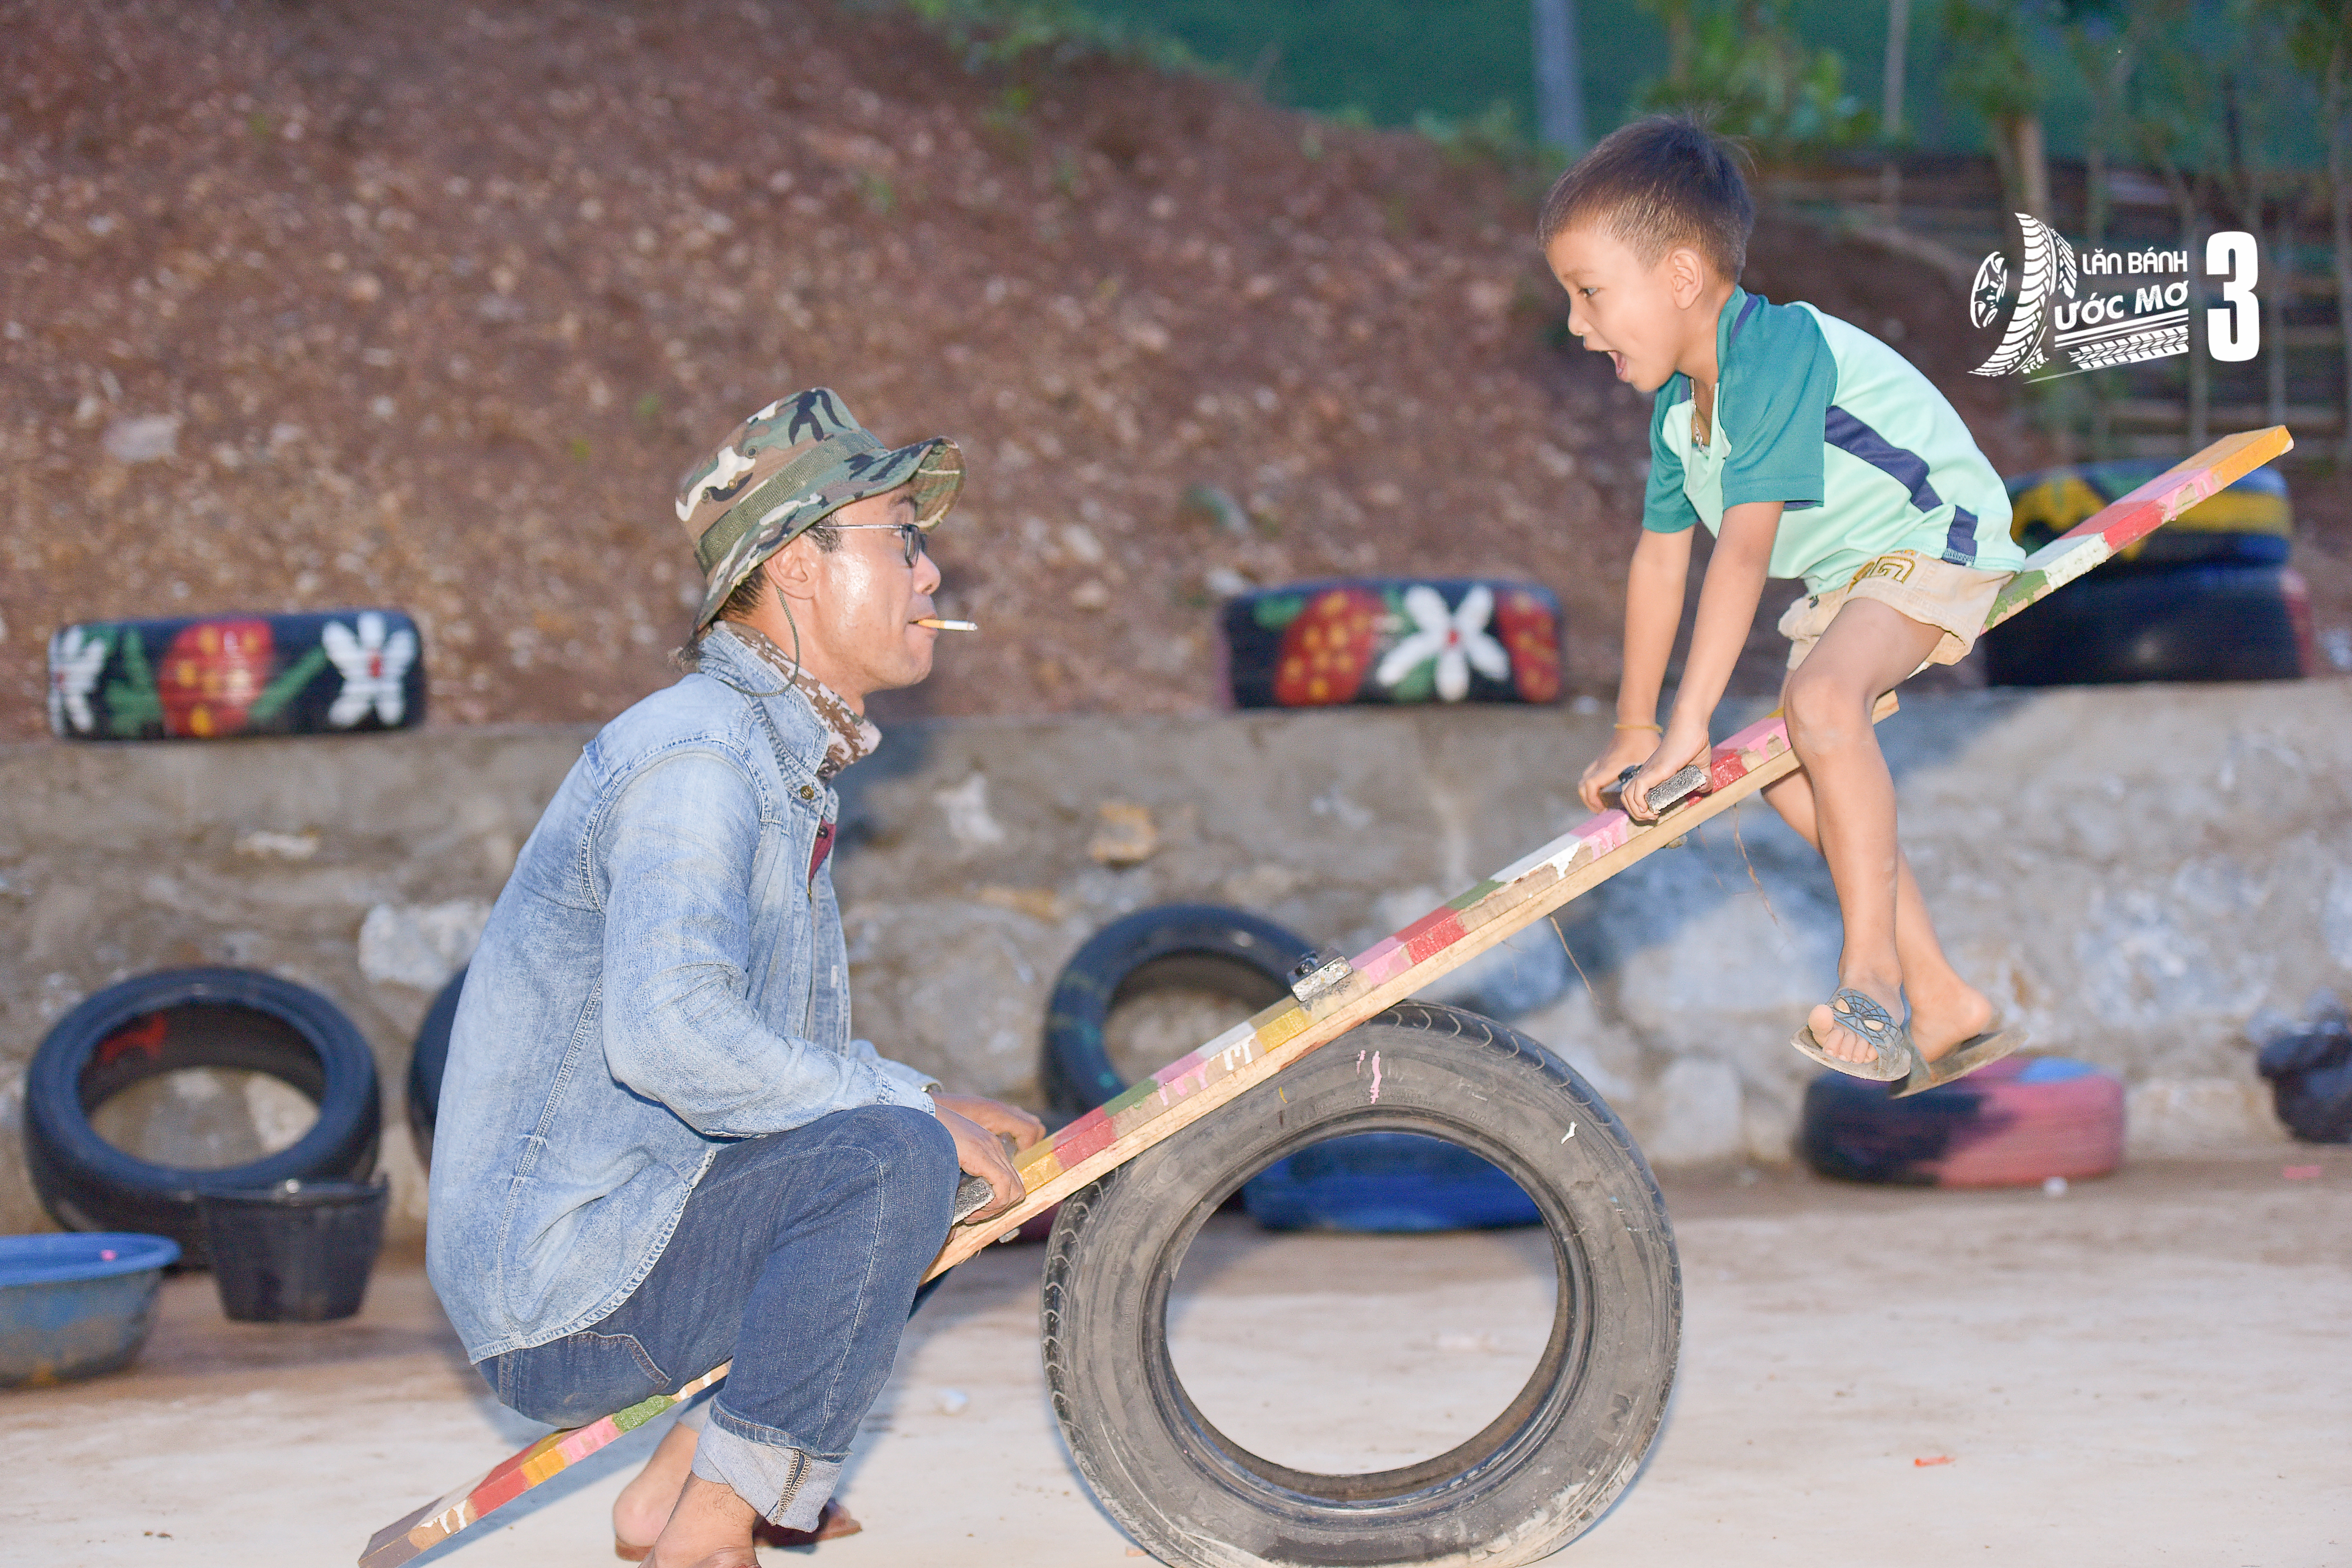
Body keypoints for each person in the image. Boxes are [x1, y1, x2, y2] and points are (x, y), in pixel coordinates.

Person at [427, 387, 1044, 1568]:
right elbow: (670, 1037)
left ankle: (680, 1481)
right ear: (797, 570)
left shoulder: (771, 759)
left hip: (629, 1239)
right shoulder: (700, 758)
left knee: (926, 1153)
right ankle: (716, 1529)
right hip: (565, 1292)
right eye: (899, 539)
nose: (928, 575)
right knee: (893, 1156)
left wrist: (918, 1096)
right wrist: (908, 1111)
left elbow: (759, 1074)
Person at [1542, 117, 2026, 1096]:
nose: (1575, 324)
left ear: (1681, 277)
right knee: (1784, 768)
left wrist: (1688, 728)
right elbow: (1661, 563)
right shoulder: (1681, 408)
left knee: (1816, 708)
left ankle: (1873, 978)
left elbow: (1742, 558)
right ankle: (1943, 997)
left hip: (1936, 532)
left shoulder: (1776, 352)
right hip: (1852, 574)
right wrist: (1638, 724)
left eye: (1590, 293)